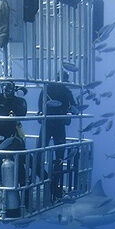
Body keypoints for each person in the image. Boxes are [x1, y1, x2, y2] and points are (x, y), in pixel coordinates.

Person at [37, 71, 77, 202]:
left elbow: (40, 107)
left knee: (52, 157)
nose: (63, 81)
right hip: (53, 126)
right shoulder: (60, 90)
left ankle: (50, 183)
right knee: (53, 157)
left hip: (52, 126)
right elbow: (74, 108)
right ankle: (51, 184)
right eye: (63, 78)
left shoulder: (50, 89)